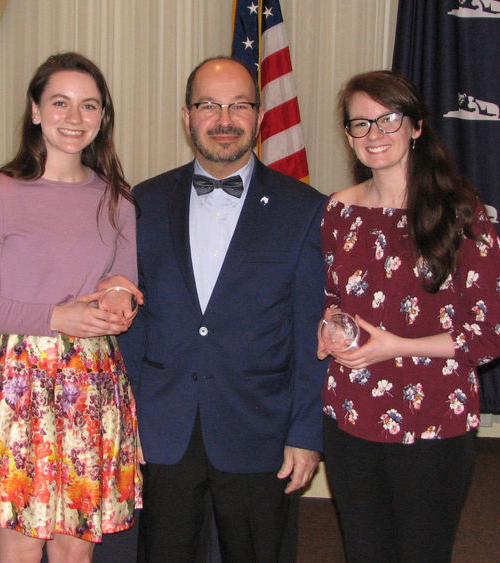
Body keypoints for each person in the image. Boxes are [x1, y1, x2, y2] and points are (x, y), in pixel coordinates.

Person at [118, 57, 328, 562]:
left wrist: (305, 433)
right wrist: (128, 419)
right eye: (208, 105)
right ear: (186, 116)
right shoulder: (143, 201)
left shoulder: (304, 209)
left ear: (260, 116)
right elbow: (133, 322)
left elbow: (308, 334)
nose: (224, 118)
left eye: (239, 104)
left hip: (260, 427)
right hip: (163, 428)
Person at [0, 52, 141, 563]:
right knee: (20, 550)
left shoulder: (118, 200)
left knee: (74, 553)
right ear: (35, 110)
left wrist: (120, 303)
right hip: (17, 382)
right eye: (60, 103)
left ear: (103, 117)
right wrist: (57, 318)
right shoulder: (0, 191)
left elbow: (123, 287)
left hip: (92, 382)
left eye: (88, 106)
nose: (74, 118)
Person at [318, 70, 500, 562]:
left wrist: (396, 346)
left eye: (389, 119)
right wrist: (328, 328)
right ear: (348, 136)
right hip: (350, 414)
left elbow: (493, 332)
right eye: (360, 124)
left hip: (434, 417)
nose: (375, 134)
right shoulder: (337, 212)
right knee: (365, 551)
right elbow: (328, 299)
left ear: (416, 126)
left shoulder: (461, 211)